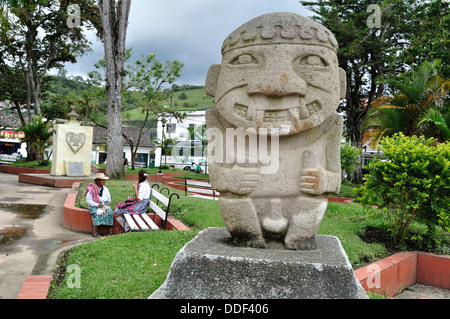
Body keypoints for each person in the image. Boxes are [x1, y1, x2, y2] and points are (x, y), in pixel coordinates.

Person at [85, 173, 114, 237]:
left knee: (110, 213)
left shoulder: (105, 189)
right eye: (102, 180)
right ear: (97, 181)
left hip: (104, 205)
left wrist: (106, 206)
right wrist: (97, 205)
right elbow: (88, 200)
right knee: (98, 213)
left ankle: (109, 231)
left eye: (104, 180)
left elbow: (109, 200)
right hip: (94, 206)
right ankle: (95, 232)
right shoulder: (92, 190)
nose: (104, 181)